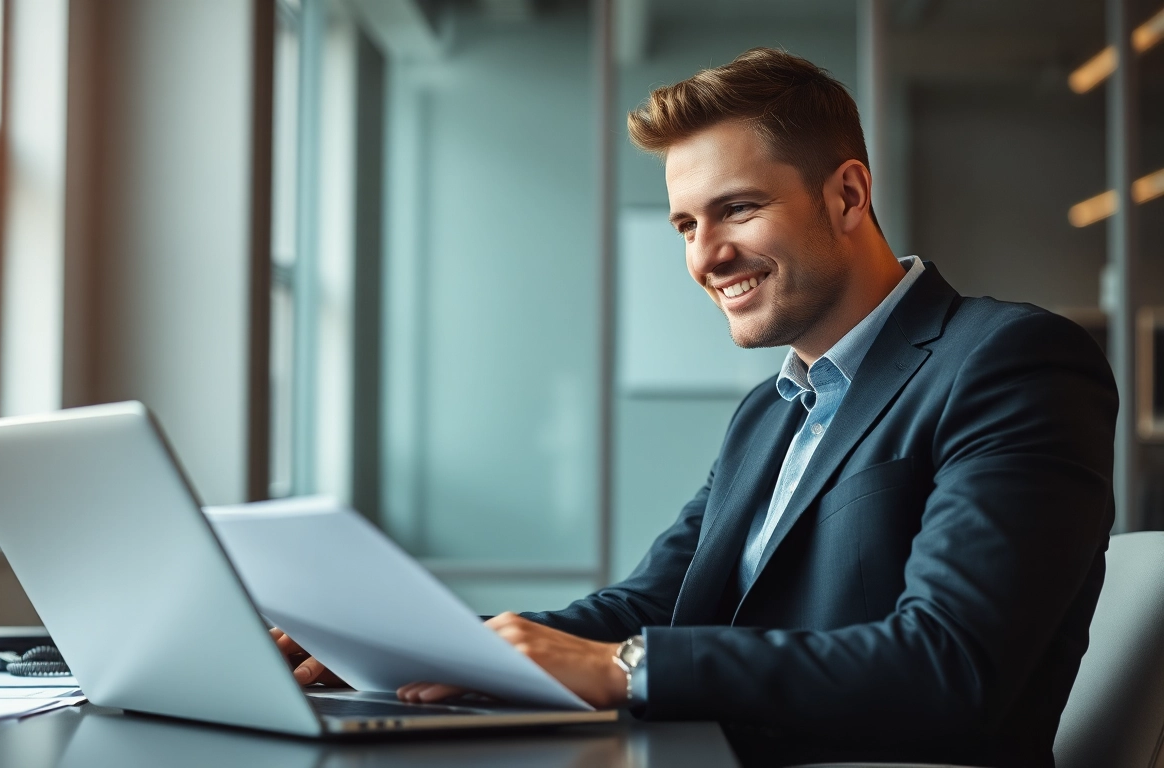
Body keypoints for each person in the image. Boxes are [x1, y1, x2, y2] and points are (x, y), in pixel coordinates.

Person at [277, 48, 1117, 767]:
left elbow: (950, 665)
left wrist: (627, 669)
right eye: (685, 224)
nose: (706, 257)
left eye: (738, 209)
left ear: (849, 196)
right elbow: (648, 605)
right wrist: (407, 650)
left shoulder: (1008, 361)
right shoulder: (770, 412)